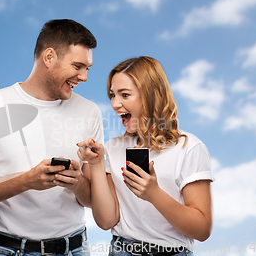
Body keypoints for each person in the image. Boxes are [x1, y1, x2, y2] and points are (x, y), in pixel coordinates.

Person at [0, 19, 103, 256]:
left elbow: (94, 200)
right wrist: (27, 181)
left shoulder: (90, 112)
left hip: (75, 249)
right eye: (77, 66)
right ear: (49, 57)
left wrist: (77, 183)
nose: (84, 77)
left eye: (88, 68)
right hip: (11, 250)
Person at [77, 56, 213, 256]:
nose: (115, 104)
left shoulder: (189, 147)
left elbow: (202, 230)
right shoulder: (114, 148)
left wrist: (153, 194)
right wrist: (96, 164)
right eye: (112, 95)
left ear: (150, 95)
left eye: (124, 95)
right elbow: (106, 221)